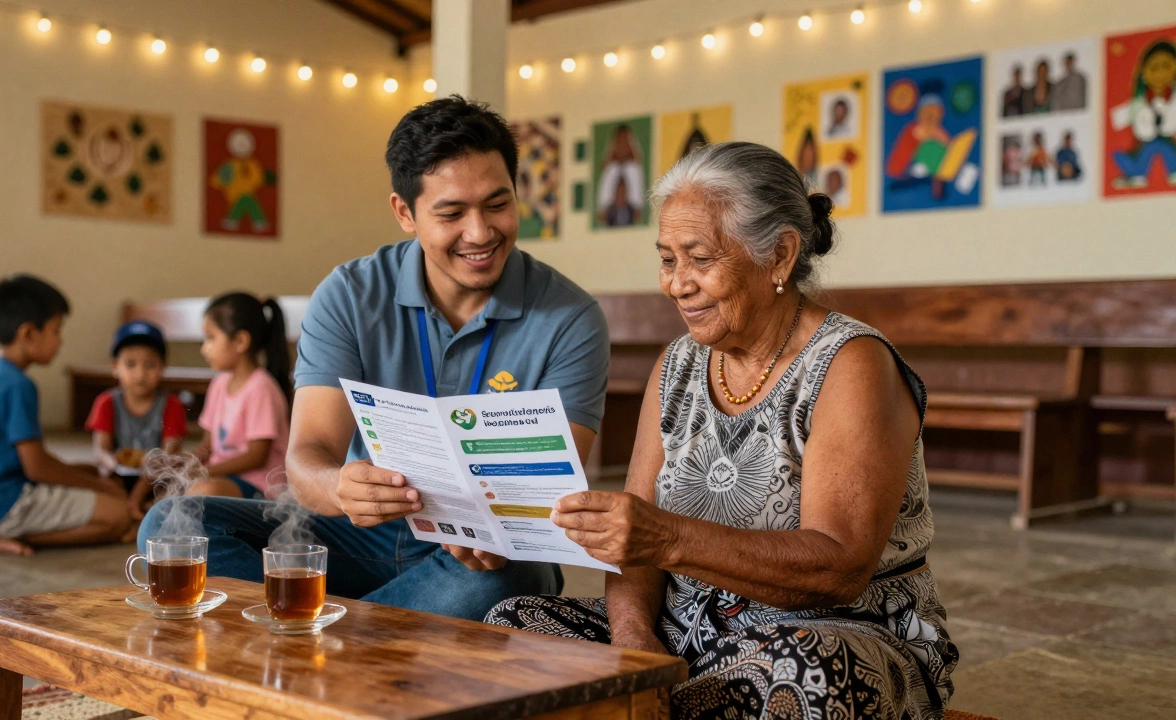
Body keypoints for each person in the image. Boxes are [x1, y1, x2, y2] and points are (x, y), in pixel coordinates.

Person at [487, 142, 958, 719]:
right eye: (667, 259)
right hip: (687, 630)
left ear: (780, 255)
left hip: (831, 635)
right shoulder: (678, 366)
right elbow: (633, 546)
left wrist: (667, 538)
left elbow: (838, 568)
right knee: (512, 626)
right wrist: (635, 648)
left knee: (807, 674)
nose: (677, 284)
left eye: (699, 259)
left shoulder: (850, 363)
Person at [138, 96, 610, 621]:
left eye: (497, 205)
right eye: (451, 213)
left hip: (478, 556)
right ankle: (389, 633)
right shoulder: (348, 295)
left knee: (512, 582)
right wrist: (340, 488)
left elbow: (544, 494)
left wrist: (503, 531)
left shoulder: (571, 318)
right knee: (172, 522)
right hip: (357, 534)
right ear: (404, 212)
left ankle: (318, 630)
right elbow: (307, 456)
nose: (480, 233)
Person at [0, 275, 132, 556]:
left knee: (93, 471)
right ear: (28, 333)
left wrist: (95, 480)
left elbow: (35, 459)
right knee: (119, 515)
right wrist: (105, 490)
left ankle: (0, 529)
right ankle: (6, 535)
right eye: (56, 331)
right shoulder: (16, 385)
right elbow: (38, 468)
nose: (61, 341)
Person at [186, 292, 292, 500]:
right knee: (171, 489)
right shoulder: (219, 384)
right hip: (222, 478)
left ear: (240, 341)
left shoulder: (262, 388)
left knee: (204, 493)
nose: (204, 349)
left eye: (211, 338)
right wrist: (185, 465)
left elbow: (257, 457)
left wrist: (206, 473)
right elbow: (208, 445)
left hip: (259, 485)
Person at [84, 321, 189, 521]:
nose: (140, 374)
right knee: (91, 477)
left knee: (180, 488)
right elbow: (100, 449)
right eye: (130, 364)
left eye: (150, 365)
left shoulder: (172, 405)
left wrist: (140, 489)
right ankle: (136, 512)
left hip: (156, 479)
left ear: (163, 366)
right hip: (119, 476)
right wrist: (111, 462)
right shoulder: (106, 402)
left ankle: (134, 510)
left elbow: (170, 454)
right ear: (115, 366)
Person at [1109, 39, 1176, 189]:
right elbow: (1117, 120)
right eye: (1154, 68)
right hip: (1147, 142)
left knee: (1163, 148)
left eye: (1167, 66)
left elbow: (1168, 127)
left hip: (1168, 143)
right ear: (1143, 73)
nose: (1160, 73)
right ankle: (1137, 173)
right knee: (1128, 154)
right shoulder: (1138, 103)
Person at [596, 124, 646, 226]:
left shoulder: (634, 168)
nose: (622, 147)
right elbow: (602, 210)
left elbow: (638, 209)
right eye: (619, 142)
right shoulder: (610, 169)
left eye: (625, 142)